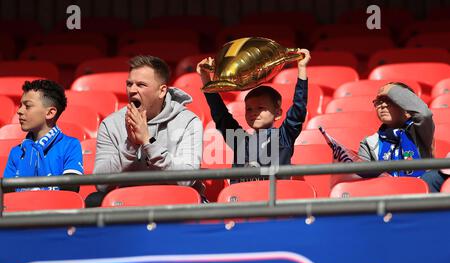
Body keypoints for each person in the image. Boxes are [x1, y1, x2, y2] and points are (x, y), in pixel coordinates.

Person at [89, 55, 203, 206]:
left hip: (174, 202)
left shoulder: (188, 122)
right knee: (93, 200)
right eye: (129, 84)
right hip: (128, 202)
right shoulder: (110, 124)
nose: (132, 90)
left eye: (141, 85)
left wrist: (149, 142)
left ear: (162, 91)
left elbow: (186, 179)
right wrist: (130, 145)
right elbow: (101, 184)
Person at [197, 49, 311, 183]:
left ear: (278, 113)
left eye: (261, 108)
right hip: (244, 201)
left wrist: (302, 68)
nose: (254, 113)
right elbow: (220, 114)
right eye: (249, 109)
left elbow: (299, 108)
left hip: (274, 201)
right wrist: (205, 78)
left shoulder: (283, 137)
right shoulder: (239, 140)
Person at [3, 79, 83, 192]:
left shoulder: (70, 145)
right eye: (20, 105)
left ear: (50, 113)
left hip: (56, 208)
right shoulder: (16, 151)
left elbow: (70, 190)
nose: (19, 111)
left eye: (27, 106)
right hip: (19, 208)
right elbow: (6, 195)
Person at [358, 82, 435, 178]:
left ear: (407, 110)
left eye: (390, 100)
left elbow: (424, 114)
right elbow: (361, 178)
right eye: (379, 101)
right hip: (384, 190)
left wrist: (390, 90)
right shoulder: (368, 142)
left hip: (421, 190)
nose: (383, 105)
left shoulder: (420, 131)